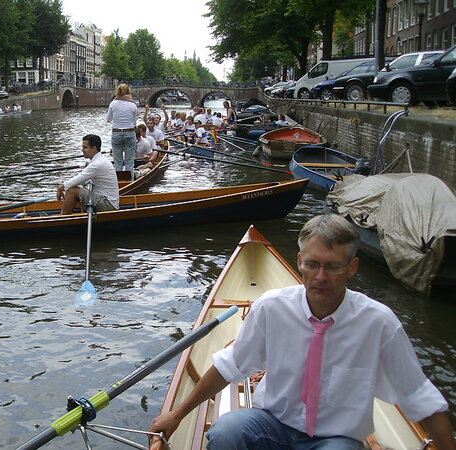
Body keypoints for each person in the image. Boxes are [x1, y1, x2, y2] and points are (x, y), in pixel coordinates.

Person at [149, 214, 454, 449]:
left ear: (352, 267)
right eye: (312, 265)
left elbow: (422, 400)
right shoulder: (272, 307)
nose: (320, 277)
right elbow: (231, 365)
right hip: (273, 424)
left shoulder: (379, 323)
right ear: (299, 262)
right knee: (227, 432)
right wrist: (177, 414)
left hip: (335, 437)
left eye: (332, 267)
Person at [56, 134, 119, 215]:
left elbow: (79, 178)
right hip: (105, 200)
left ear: (94, 149)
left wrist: (60, 188)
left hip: (108, 205)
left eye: (85, 147)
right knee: (73, 187)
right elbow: (80, 181)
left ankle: (62, 219)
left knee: (72, 191)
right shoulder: (98, 160)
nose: (82, 150)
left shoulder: (97, 164)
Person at [106, 84, 138, 172]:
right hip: (130, 132)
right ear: (128, 92)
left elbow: (108, 119)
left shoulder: (113, 104)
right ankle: (129, 180)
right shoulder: (133, 105)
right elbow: (134, 122)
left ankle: (118, 182)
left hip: (116, 133)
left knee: (118, 162)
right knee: (129, 161)